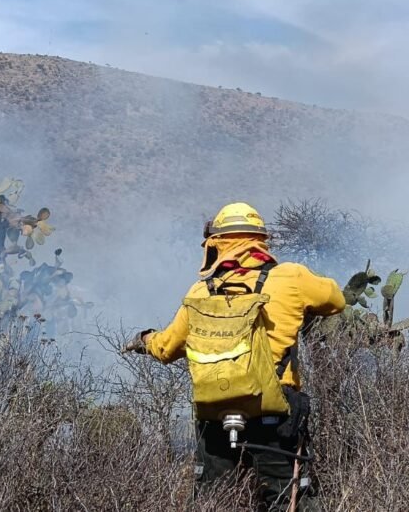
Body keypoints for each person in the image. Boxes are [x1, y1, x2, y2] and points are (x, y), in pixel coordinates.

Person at [123, 202, 345, 511]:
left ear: (215, 244)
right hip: (274, 410)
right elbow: (336, 300)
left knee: (213, 501)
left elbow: (166, 348)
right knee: (287, 499)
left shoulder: (200, 293)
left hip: (216, 413)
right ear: (260, 240)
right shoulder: (291, 277)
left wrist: (145, 340)